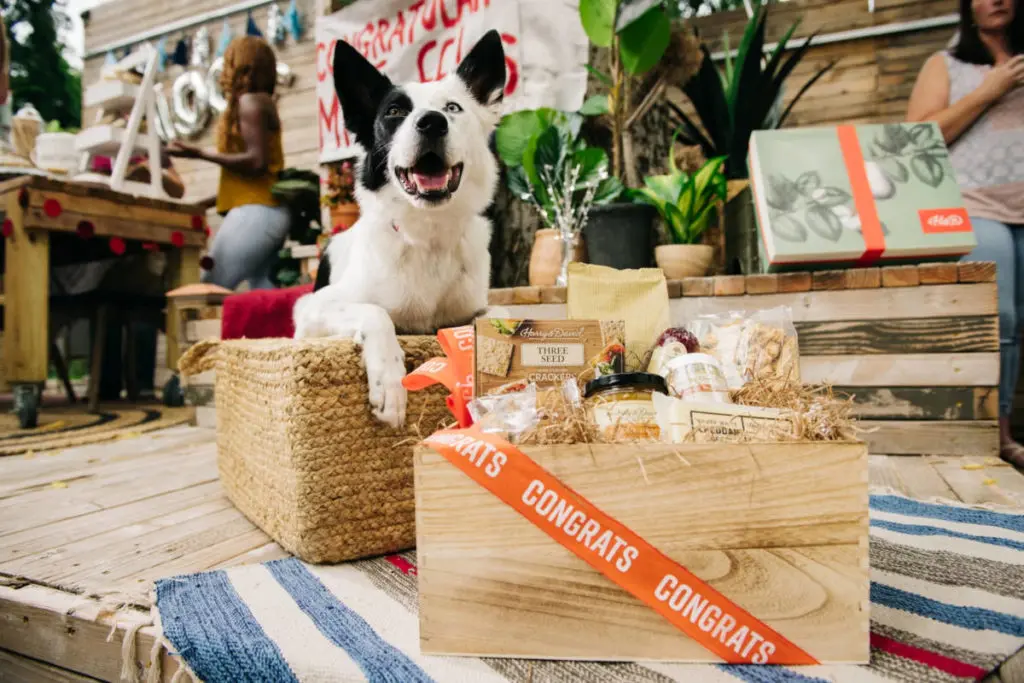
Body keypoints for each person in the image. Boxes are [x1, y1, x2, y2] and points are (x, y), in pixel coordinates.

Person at [907, 0, 1024, 465]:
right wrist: (989, 90)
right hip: (975, 207)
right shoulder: (946, 65)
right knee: (1002, 320)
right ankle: (997, 434)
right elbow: (916, 137)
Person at [167, 35, 289, 290]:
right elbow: (251, 178)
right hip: (269, 212)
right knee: (263, 298)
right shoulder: (262, 102)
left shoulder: (249, 102)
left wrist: (198, 154)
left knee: (207, 289)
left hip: (256, 213)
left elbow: (256, 162)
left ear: (240, 65)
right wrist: (207, 203)